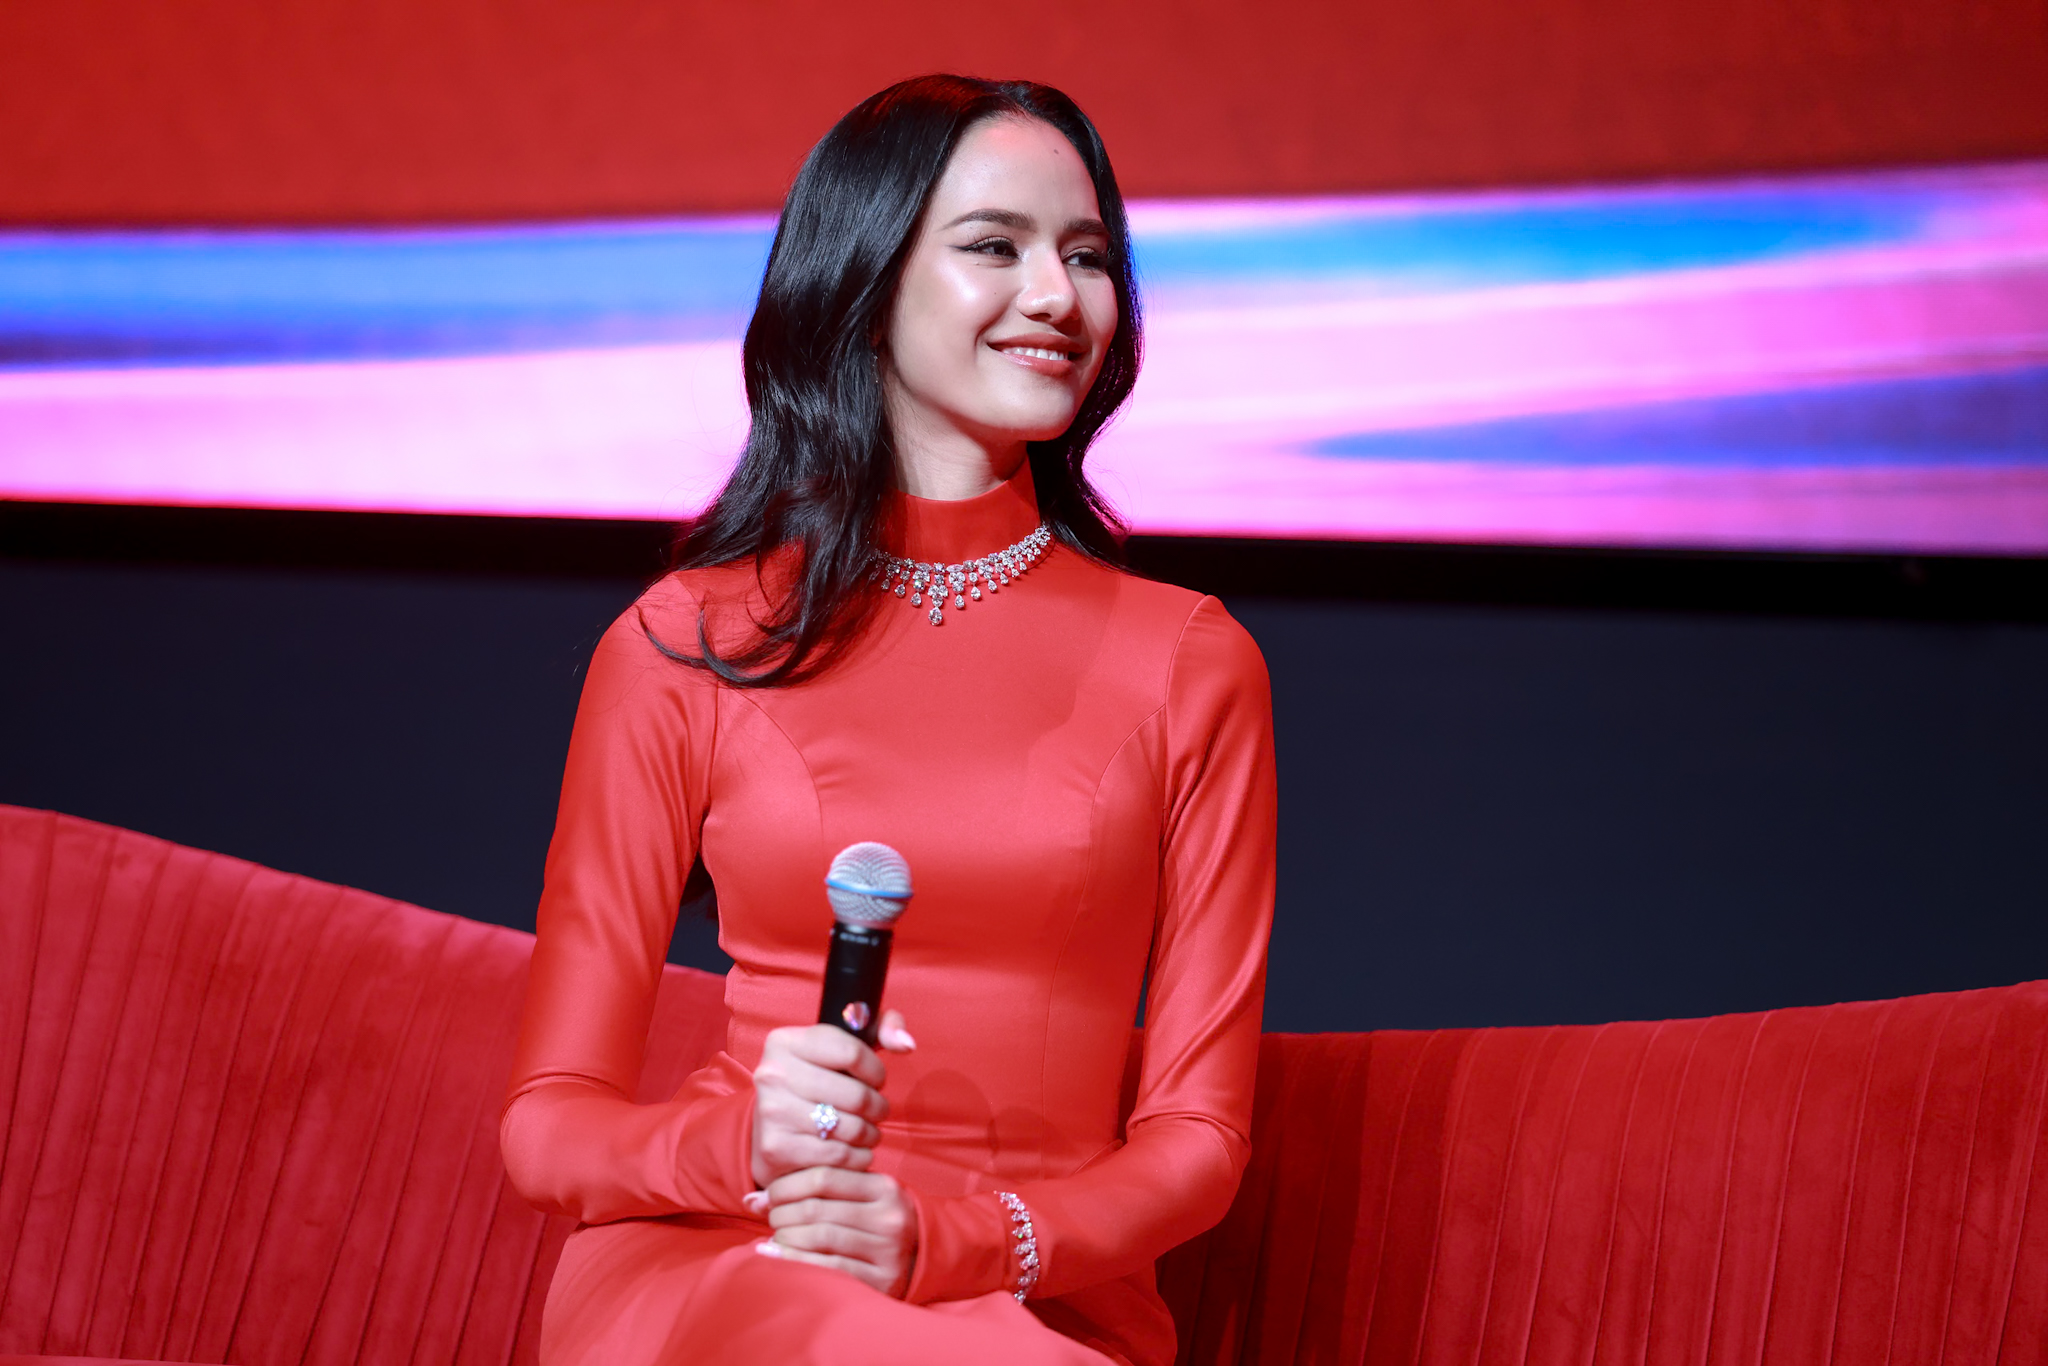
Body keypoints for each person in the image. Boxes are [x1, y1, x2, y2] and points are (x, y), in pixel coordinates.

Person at [500, 74, 1276, 1366]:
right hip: (729, 1255)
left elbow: (1199, 1140)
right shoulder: (686, 643)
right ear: (865, 279)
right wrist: (740, 1145)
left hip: (1032, 1283)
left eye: (1088, 255)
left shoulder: (1194, 663)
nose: (1058, 295)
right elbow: (547, 1126)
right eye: (995, 247)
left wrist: (962, 1241)